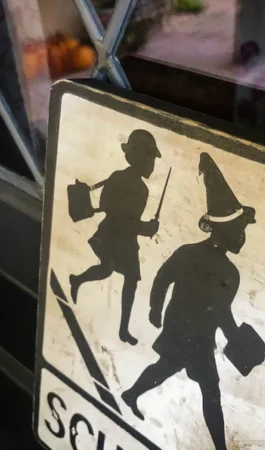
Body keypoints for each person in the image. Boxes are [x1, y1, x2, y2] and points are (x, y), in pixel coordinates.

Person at [121, 152, 257, 450]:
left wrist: (234, 337)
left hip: (200, 335)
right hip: (185, 330)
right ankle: (220, 447)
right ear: (223, 229)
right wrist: (155, 308)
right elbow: (162, 278)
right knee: (208, 388)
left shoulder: (230, 273)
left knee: (169, 370)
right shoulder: (191, 254)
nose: (243, 237)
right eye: (240, 230)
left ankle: (131, 394)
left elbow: (220, 311)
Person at [70, 129, 161, 346]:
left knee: (128, 279)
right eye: (148, 156)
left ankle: (123, 329)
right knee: (108, 268)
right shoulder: (125, 181)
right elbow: (119, 215)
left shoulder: (137, 186)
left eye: (152, 158)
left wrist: (142, 226)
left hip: (126, 240)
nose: (151, 163)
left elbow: (122, 214)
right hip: (112, 235)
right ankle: (78, 280)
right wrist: (146, 228)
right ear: (136, 155)